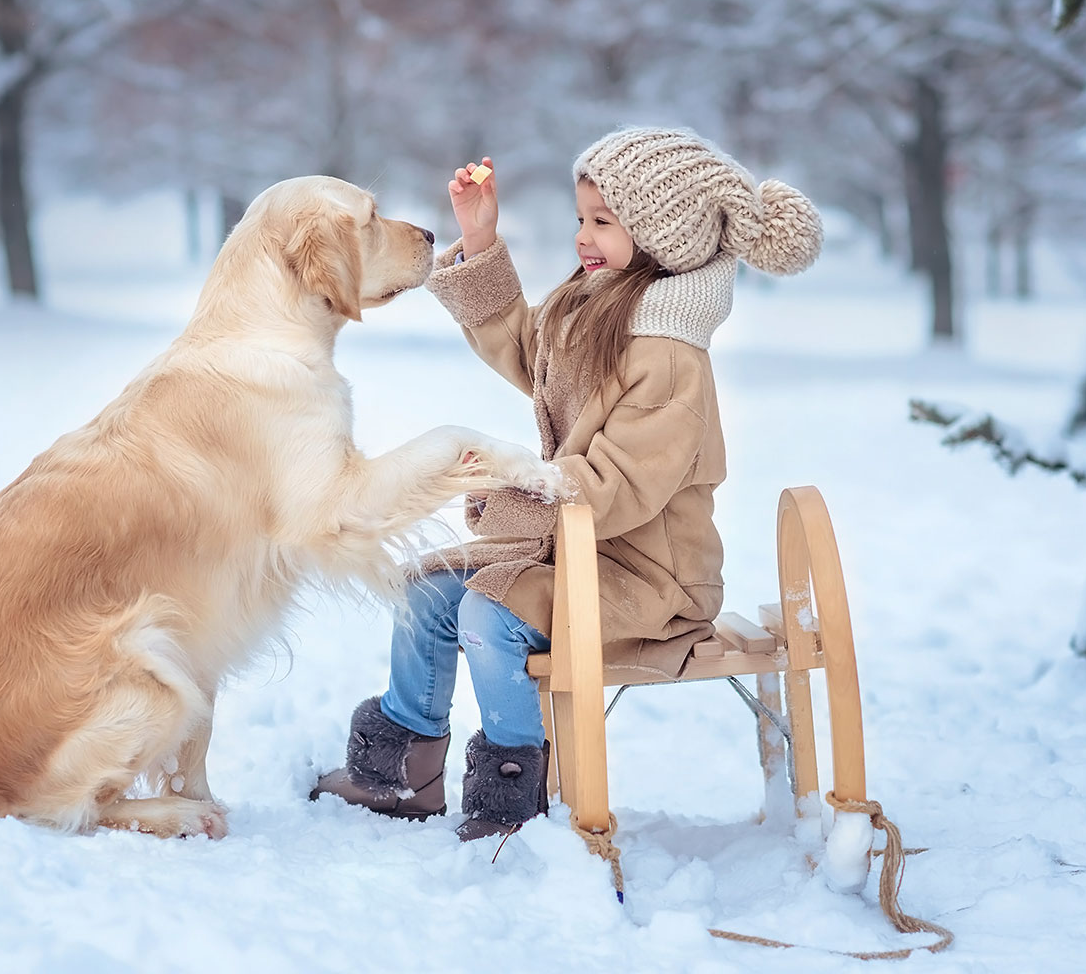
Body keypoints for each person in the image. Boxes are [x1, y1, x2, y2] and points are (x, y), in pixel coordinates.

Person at [311, 127, 823, 841]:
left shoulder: (671, 358)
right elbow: (530, 351)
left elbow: (617, 483)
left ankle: (511, 793)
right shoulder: (598, 304)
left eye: (603, 222)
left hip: (651, 579)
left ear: (659, 234)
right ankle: (401, 767)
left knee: (489, 615)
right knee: (427, 592)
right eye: (581, 217)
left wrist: (517, 483)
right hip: (575, 552)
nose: (583, 235)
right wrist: (482, 240)